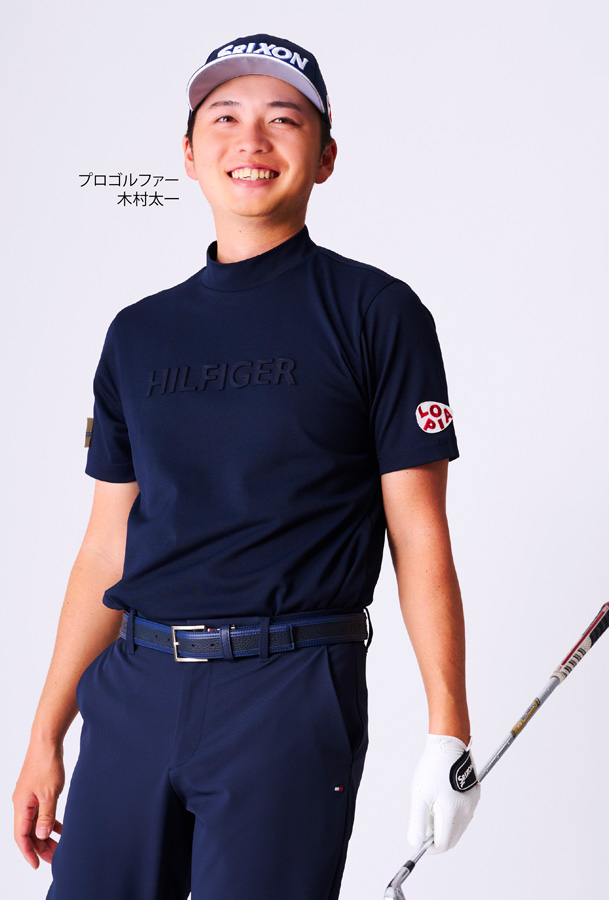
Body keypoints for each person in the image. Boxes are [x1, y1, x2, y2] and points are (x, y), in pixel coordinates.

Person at [13, 33, 481, 900]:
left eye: (283, 120)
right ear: (190, 154)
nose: (251, 141)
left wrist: (446, 727)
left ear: (326, 156)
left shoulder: (378, 314)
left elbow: (419, 533)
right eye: (224, 118)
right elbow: (106, 546)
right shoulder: (137, 335)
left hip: (289, 691)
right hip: (134, 689)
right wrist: (47, 731)